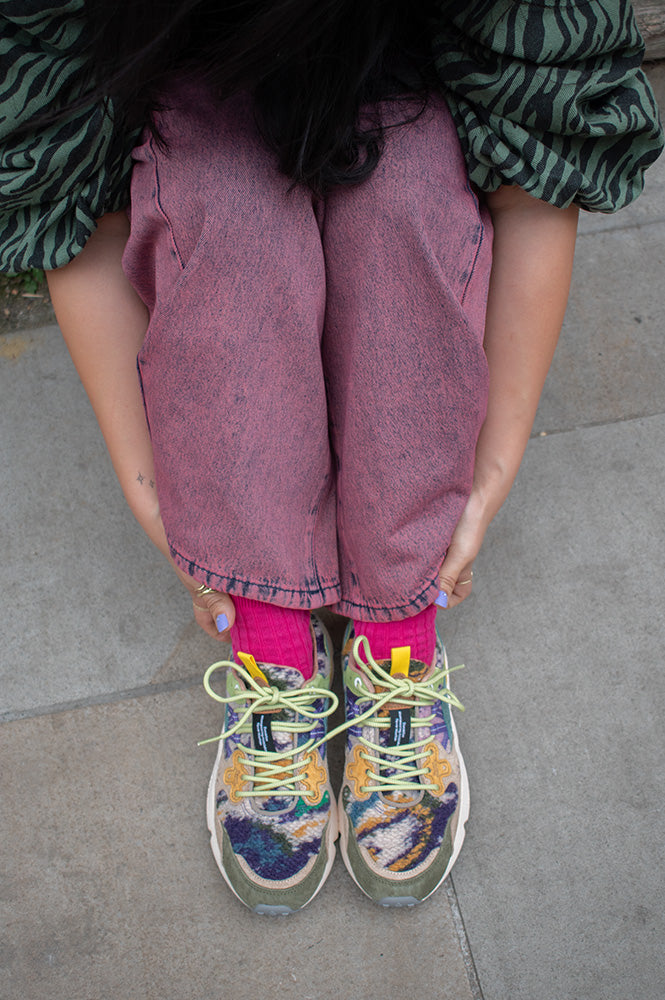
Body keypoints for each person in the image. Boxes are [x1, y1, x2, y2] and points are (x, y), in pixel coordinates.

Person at [1, 0, 662, 914]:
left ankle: (395, 634)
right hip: (187, 94)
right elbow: (66, 195)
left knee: (403, 193)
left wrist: (488, 477)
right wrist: (156, 491)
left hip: (406, 70)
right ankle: (273, 638)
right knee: (225, 206)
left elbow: (540, 155)